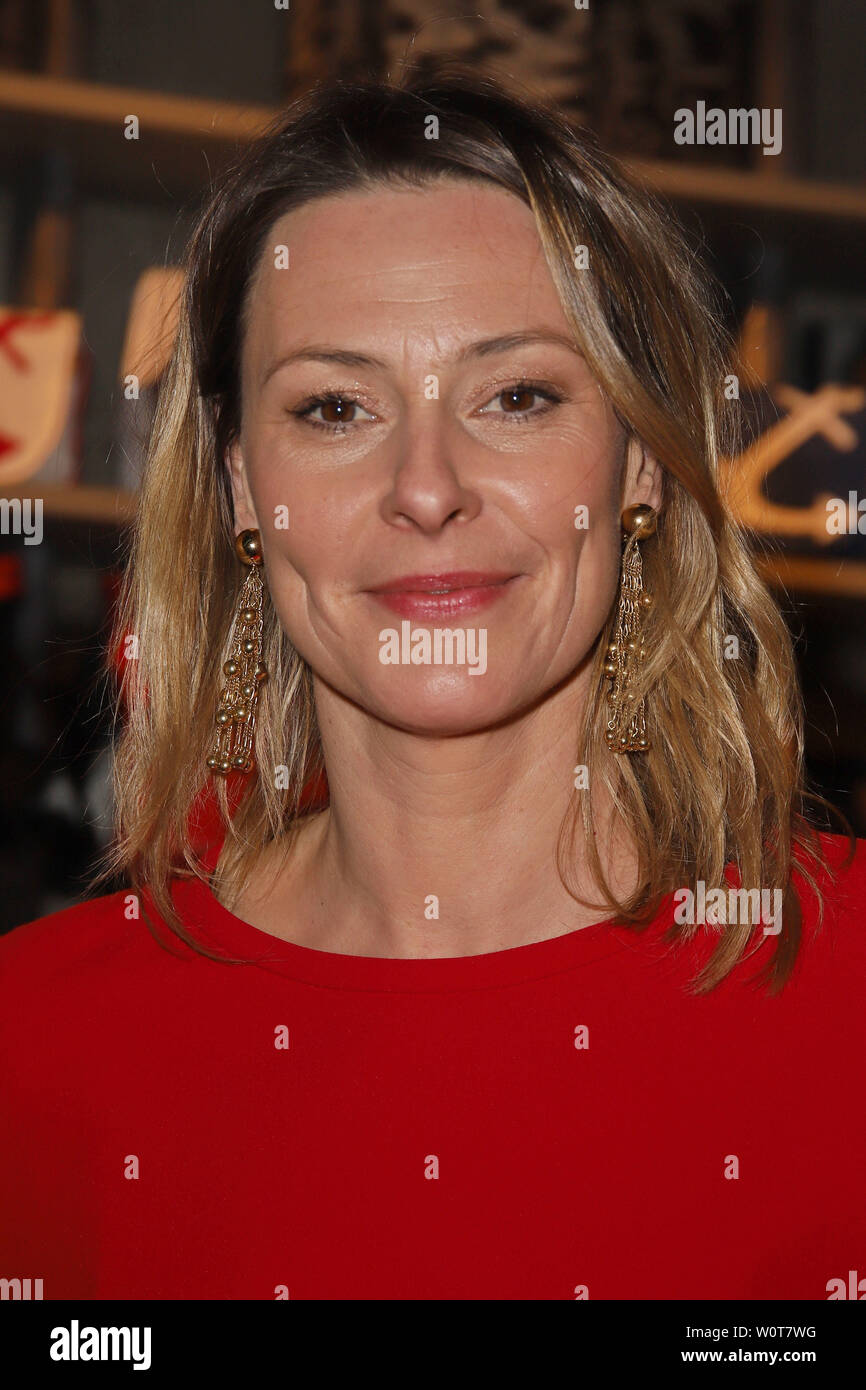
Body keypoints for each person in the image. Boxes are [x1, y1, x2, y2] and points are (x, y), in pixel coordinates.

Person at [1, 64, 863, 1302]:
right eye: (336, 407)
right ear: (244, 487)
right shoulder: (33, 1047)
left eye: (516, 396)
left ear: (639, 465)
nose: (425, 484)